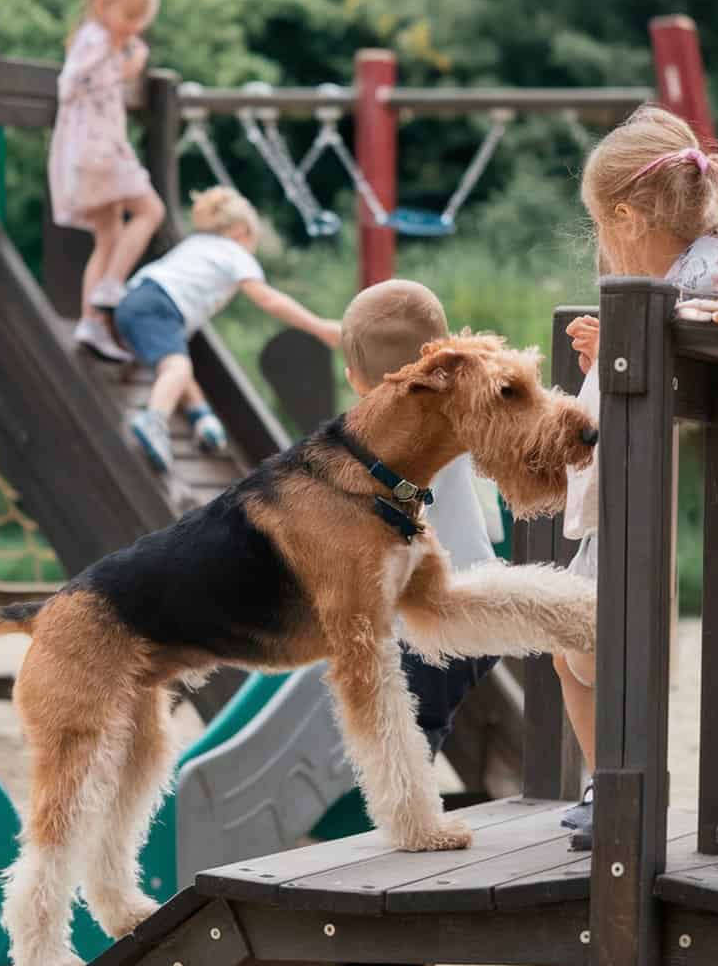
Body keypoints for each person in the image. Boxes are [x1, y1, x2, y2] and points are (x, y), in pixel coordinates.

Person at [556, 101, 718, 848]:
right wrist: (615, 364)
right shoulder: (673, 284)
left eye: (599, 226)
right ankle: (610, 781)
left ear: (626, 216)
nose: (601, 242)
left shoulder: (714, 264)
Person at [340, 279, 499, 756]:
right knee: (418, 721)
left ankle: (412, 819)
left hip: (430, 621)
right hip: (484, 601)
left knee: (403, 734)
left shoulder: (373, 441)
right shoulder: (459, 409)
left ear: (353, 379)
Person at [115, 186, 341, 471]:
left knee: (174, 365)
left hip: (132, 301)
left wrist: (203, 414)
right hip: (160, 306)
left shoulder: (195, 244)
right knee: (178, 367)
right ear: (241, 232)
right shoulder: (236, 253)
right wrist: (319, 327)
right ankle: (153, 420)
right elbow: (269, 300)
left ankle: (202, 416)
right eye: (253, 241)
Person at [49, 0, 167, 363]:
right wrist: (123, 67)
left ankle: (91, 323)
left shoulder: (99, 40)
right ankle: (111, 287)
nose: (135, 25)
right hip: (96, 151)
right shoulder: (95, 39)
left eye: (142, 18)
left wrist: (123, 63)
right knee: (151, 210)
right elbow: (70, 83)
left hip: (94, 151)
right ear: (102, 6)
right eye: (130, 15)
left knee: (109, 233)